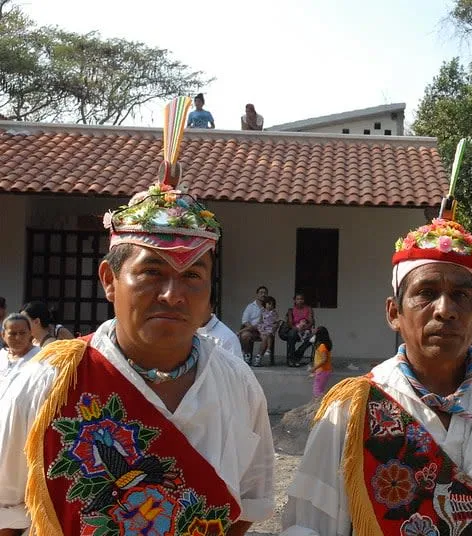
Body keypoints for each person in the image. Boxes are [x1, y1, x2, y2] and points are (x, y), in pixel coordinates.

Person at [0, 97, 273, 536]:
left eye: (193, 277)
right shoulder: (47, 383)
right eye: (152, 272)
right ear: (109, 279)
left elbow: (245, 507)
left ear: (209, 291)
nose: (173, 294)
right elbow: (6, 515)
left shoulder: (239, 386)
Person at [282, 217, 472, 536]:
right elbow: (311, 524)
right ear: (394, 313)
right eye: (427, 293)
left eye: (460, 295)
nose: (445, 310)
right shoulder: (352, 407)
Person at [197, 293, 243, 359]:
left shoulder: (227, 338)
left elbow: (236, 368)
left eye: (200, 305)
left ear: (212, 306)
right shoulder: (184, 334)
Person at [0, 314, 39, 378]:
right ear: (3, 335)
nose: (18, 338)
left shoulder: (40, 357)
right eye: (13, 333)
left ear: (30, 333)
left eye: (22, 333)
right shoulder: (2, 355)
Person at [285, 293, 315, 367]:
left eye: (301, 299)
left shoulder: (308, 309)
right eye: (298, 299)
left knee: (314, 337)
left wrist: (304, 328)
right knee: (291, 334)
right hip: (295, 331)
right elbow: (290, 324)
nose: (300, 301)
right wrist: (297, 329)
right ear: (294, 300)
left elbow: (311, 322)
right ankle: (292, 359)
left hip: (306, 330)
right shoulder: (291, 310)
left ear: (304, 300)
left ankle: (297, 354)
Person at [239, 285, 268, 360]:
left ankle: (258, 358)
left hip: (263, 330)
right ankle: (247, 355)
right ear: (257, 294)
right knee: (245, 336)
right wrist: (252, 328)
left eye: (265, 293)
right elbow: (245, 321)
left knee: (265, 337)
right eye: (261, 293)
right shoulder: (250, 306)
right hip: (251, 329)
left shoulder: (268, 307)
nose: (263, 295)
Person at [309, 326, 333, 399]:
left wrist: (314, 368)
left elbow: (324, 359)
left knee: (317, 391)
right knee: (319, 389)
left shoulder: (322, 346)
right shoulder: (324, 345)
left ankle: (324, 403)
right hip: (323, 371)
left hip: (322, 371)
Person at [256, 296, 279, 366]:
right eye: (268, 304)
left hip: (270, 328)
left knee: (268, 336)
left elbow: (276, 321)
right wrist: (260, 329)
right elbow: (260, 321)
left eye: (272, 304)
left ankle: (262, 354)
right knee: (265, 337)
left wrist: (275, 326)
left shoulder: (274, 312)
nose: (270, 306)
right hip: (263, 328)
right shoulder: (262, 311)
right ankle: (259, 356)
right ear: (265, 304)